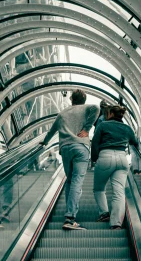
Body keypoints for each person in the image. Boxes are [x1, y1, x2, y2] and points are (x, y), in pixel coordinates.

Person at [40, 89, 99, 230]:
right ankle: (70, 217)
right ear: (83, 100)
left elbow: (52, 131)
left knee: (70, 180)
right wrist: (87, 128)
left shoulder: (62, 113)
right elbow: (97, 108)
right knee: (77, 181)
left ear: (72, 99)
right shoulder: (87, 108)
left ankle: (69, 214)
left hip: (65, 148)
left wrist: (44, 142)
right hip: (80, 147)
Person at [91, 105, 139, 229]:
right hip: (122, 159)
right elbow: (135, 143)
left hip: (105, 156)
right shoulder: (127, 128)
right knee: (119, 191)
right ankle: (116, 223)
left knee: (99, 189)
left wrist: (94, 160)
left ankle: (104, 213)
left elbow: (95, 144)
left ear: (111, 114)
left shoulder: (103, 125)